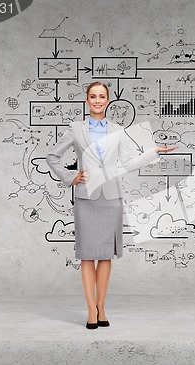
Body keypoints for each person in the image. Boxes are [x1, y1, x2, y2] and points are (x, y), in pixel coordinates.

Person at [46, 82, 176, 329]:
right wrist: (70, 177)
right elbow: (52, 156)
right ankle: (89, 310)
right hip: (86, 197)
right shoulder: (76, 129)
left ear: (108, 101)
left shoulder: (118, 130)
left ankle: (101, 306)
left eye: (102, 96)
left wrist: (153, 152)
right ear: (87, 100)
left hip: (111, 197)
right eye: (93, 96)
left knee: (106, 255)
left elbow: (128, 162)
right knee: (86, 255)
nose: (97, 100)